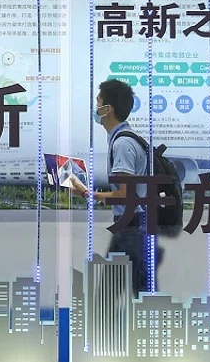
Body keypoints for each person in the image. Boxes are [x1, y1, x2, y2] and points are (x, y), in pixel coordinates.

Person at [68, 78, 164, 298]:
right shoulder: (128, 138)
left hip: (132, 228)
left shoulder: (121, 143)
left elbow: (124, 196)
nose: (95, 108)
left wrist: (85, 193)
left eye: (98, 102)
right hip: (139, 226)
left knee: (108, 299)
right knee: (143, 296)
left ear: (107, 109)